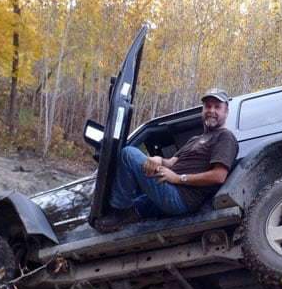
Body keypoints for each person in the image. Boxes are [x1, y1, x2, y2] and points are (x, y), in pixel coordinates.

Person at [95, 88, 239, 232]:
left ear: (226, 112)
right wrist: (158, 159)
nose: (211, 110)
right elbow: (170, 163)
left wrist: (178, 178)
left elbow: (219, 176)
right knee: (138, 196)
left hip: (180, 197)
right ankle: (125, 216)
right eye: (208, 106)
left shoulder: (225, 137)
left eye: (217, 107)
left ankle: (119, 210)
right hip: (168, 187)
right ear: (203, 109)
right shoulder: (195, 139)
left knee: (128, 154)